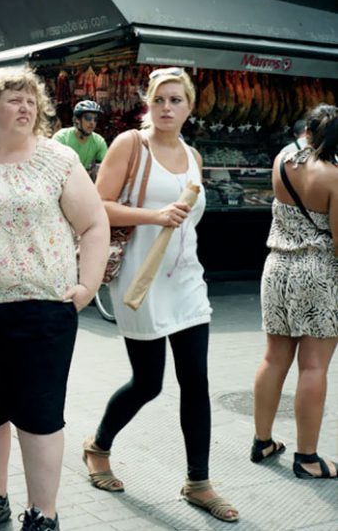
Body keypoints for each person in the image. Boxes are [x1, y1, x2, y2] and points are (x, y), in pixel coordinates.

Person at [0, 68, 108, 531]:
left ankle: (42, 514)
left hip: (41, 309)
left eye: (32, 100)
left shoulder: (58, 160)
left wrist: (86, 287)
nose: (25, 107)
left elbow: (94, 225)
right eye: (14, 99)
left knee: (38, 415)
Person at [84, 67, 239, 523]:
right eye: (159, 100)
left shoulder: (192, 154)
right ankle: (98, 447)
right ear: (147, 103)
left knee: (197, 382)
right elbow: (98, 206)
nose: (167, 108)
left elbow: (190, 217)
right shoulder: (131, 144)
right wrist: (154, 217)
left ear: (190, 107)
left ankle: (199, 482)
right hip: (140, 281)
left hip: (188, 279)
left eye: (176, 101)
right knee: (148, 382)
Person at [252, 104, 338, 480]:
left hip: (277, 268)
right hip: (317, 272)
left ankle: (263, 440)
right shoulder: (334, 176)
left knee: (274, 358)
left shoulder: (283, 160)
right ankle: (307, 458)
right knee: (314, 365)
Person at [52, 100, 107, 173]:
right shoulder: (61, 137)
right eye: (88, 118)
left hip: (84, 179)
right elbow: (52, 164)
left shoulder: (99, 141)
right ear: (77, 120)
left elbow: (108, 166)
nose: (92, 122)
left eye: (95, 119)